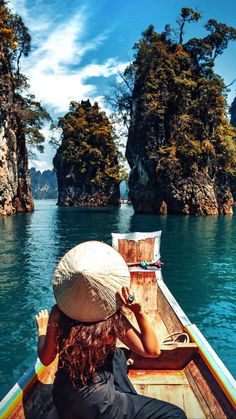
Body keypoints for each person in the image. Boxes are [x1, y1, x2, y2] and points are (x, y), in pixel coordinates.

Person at [36, 241, 187, 419]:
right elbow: (152, 351)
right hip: (101, 407)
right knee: (175, 414)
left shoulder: (58, 312)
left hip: (63, 401)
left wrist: (43, 332)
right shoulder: (112, 319)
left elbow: (46, 359)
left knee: (117, 355)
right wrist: (139, 312)